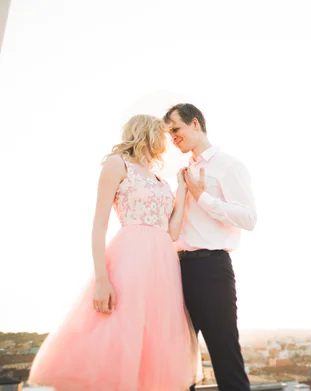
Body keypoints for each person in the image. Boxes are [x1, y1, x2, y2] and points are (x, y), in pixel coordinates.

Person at [28, 114, 198, 391]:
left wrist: (181, 190)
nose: (166, 142)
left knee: (154, 342)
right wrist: (101, 279)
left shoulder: (158, 178)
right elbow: (99, 224)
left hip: (163, 265)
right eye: (162, 135)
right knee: (122, 333)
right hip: (130, 257)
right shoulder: (117, 164)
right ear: (148, 133)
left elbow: (172, 232)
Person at [163, 103, 257, 391]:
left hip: (211, 269)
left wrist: (202, 197)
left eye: (176, 129)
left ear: (194, 123)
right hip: (176, 269)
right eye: (168, 133)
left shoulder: (228, 165)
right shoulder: (182, 173)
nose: (173, 137)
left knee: (224, 356)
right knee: (178, 359)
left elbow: (249, 218)